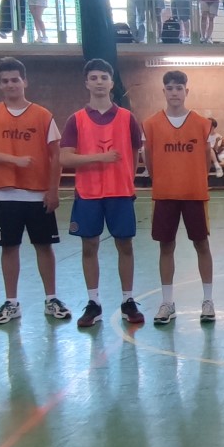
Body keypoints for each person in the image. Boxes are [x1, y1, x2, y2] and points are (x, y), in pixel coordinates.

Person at [0, 57, 68, 325]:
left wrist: (53, 190)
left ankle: (51, 298)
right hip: (4, 194)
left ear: (25, 81)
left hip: (37, 194)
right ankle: (11, 302)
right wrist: (13, 160)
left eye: (15, 79)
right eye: (5, 81)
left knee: (44, 246)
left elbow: (56, 157)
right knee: (8, 248)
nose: (10, 84)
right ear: (0, 84)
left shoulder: (43, 115)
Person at [60, 59, 145, 327]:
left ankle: (128, 300)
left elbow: (134, 152)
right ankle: (93, 302)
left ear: (111, 83)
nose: (99, 82)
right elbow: (65, 158)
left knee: (125, 245)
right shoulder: (75, 120)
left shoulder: (127, 118)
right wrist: (100, 158)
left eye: (103, 77)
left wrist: (127, 179)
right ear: (86, 83)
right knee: (89, 246)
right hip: (88, 193)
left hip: (120, 192)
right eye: (94, 78)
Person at [139, 70, 216, 325]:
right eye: (170, 88)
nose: (174, 92)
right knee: (166, 246)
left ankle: (208, 300)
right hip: (165, 194)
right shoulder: (151, 124)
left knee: (202, 245)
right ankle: (167, 302)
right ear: (164, 91)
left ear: (186, 91)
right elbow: (149, 160)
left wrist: (194, 178)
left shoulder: (201, 123)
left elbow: (205, 160)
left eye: (179, 88)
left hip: (194, 194)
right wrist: (163, 180)